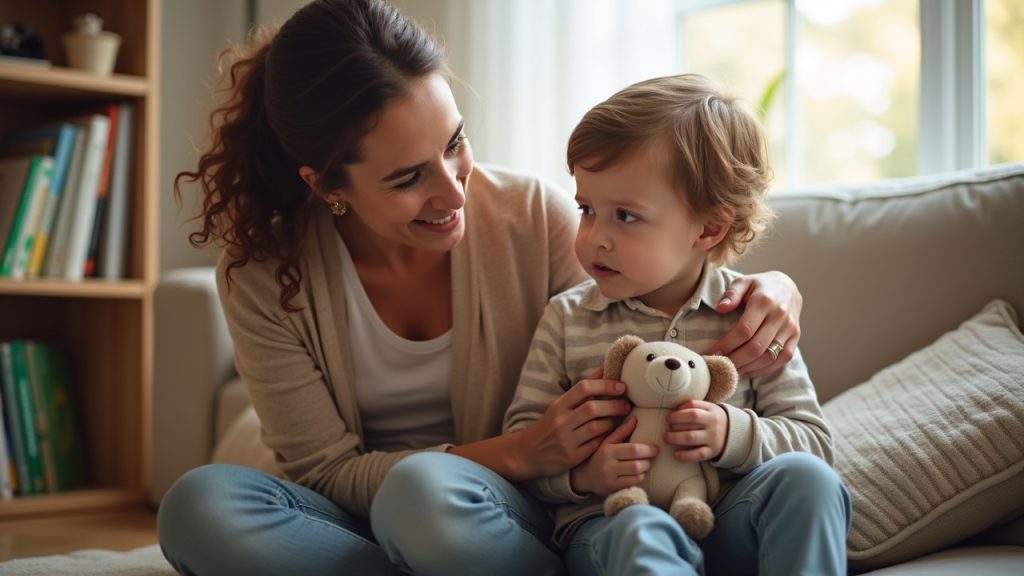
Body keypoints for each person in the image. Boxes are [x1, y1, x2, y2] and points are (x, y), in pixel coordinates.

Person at [156, 1, 807, 575]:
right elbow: (325, 473)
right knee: (198, 509)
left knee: (428, 499)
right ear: (327, 186)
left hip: (500, 515)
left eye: (455, 143)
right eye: (408, 176)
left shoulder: (530, 214)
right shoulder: (265, 275)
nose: (452, 188)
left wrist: (766, 282)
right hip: (377, 512)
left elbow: (640, 313)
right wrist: (521, 450)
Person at [503, 73, 851, 575]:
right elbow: (524, 444)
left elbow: (814, 445)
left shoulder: (751, 319)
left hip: (730, 523)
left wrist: (733, 433)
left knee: (808, 480)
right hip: (612, 526)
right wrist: (584, 476)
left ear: (709, 227)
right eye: (587, 209)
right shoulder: (567, 317)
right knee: (641, 531)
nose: (594, 237)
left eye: (624, 216)